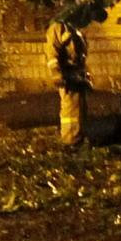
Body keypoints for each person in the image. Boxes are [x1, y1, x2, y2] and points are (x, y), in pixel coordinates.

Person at [48, 14, 90, 145]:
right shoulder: (58, 27)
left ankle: (79, 137)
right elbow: (52, 53)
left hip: (77, 75)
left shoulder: (75, 29)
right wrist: (57, 75)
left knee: (79, 109)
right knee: (70, 111)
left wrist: (86, 74)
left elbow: (81, 54)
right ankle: (70, 141)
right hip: (67, 76)